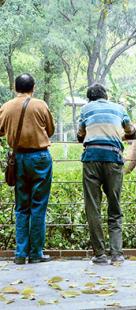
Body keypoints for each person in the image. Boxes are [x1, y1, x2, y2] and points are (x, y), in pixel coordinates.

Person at [77, 83, 136, 265]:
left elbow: (80, 135)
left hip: (91, 159)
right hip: (113, 158)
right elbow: (130, 130)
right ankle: (117, 254)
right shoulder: (119, 109)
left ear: (89, 99)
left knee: (93, 207)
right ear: (106, 96)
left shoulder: (86, 109)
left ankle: (100, 255)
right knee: (115, 206)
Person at [0, 73, 55, 264]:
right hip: (40, 158)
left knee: (21, 207)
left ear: (15, 88)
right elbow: (50, 130)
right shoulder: (40, 105)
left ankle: (20, 254)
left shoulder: (6, 107)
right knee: (38, 206)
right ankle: (36, 253)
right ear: (34, 87)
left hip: (18, 159)